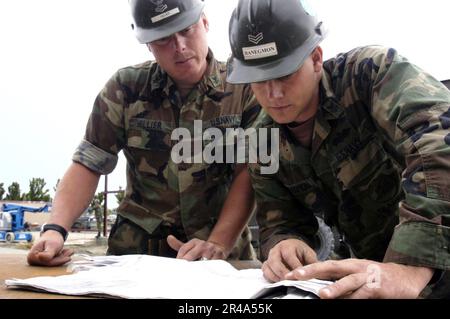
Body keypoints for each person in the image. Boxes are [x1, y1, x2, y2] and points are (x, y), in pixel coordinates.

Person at [227, 0, 450, 298]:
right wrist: (285, 243)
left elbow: (440, 138)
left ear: (316, 58)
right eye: (258, 80)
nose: (274, 94)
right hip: (367, 276)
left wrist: (410, 266)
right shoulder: (261, 142)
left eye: (284, 74)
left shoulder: (369, 76)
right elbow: (279, 219)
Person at [27, 0, 261, 267]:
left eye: (187, 29)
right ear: (148, 44)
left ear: (205, 22)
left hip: (223, 259)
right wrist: (55, 230)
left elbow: (252, 171)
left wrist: (219, 242)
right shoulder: (126, 89)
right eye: (163, 39)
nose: (180, 47)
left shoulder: (245, 87)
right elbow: (88, 163)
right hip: (136, 259)